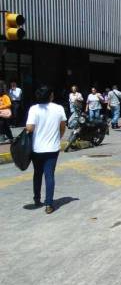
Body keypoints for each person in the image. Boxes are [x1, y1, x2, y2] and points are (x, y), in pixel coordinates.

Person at [26, 86, 67, 214]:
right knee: (49, 175)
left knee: (37, 174)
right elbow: (62, 126)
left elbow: (30, 128)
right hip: (52, 148)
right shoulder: (59, 108)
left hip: (37, 148)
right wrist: (57, 137)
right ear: (50, 96)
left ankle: (37, 199)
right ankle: (49, 204)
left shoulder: (34, 109)